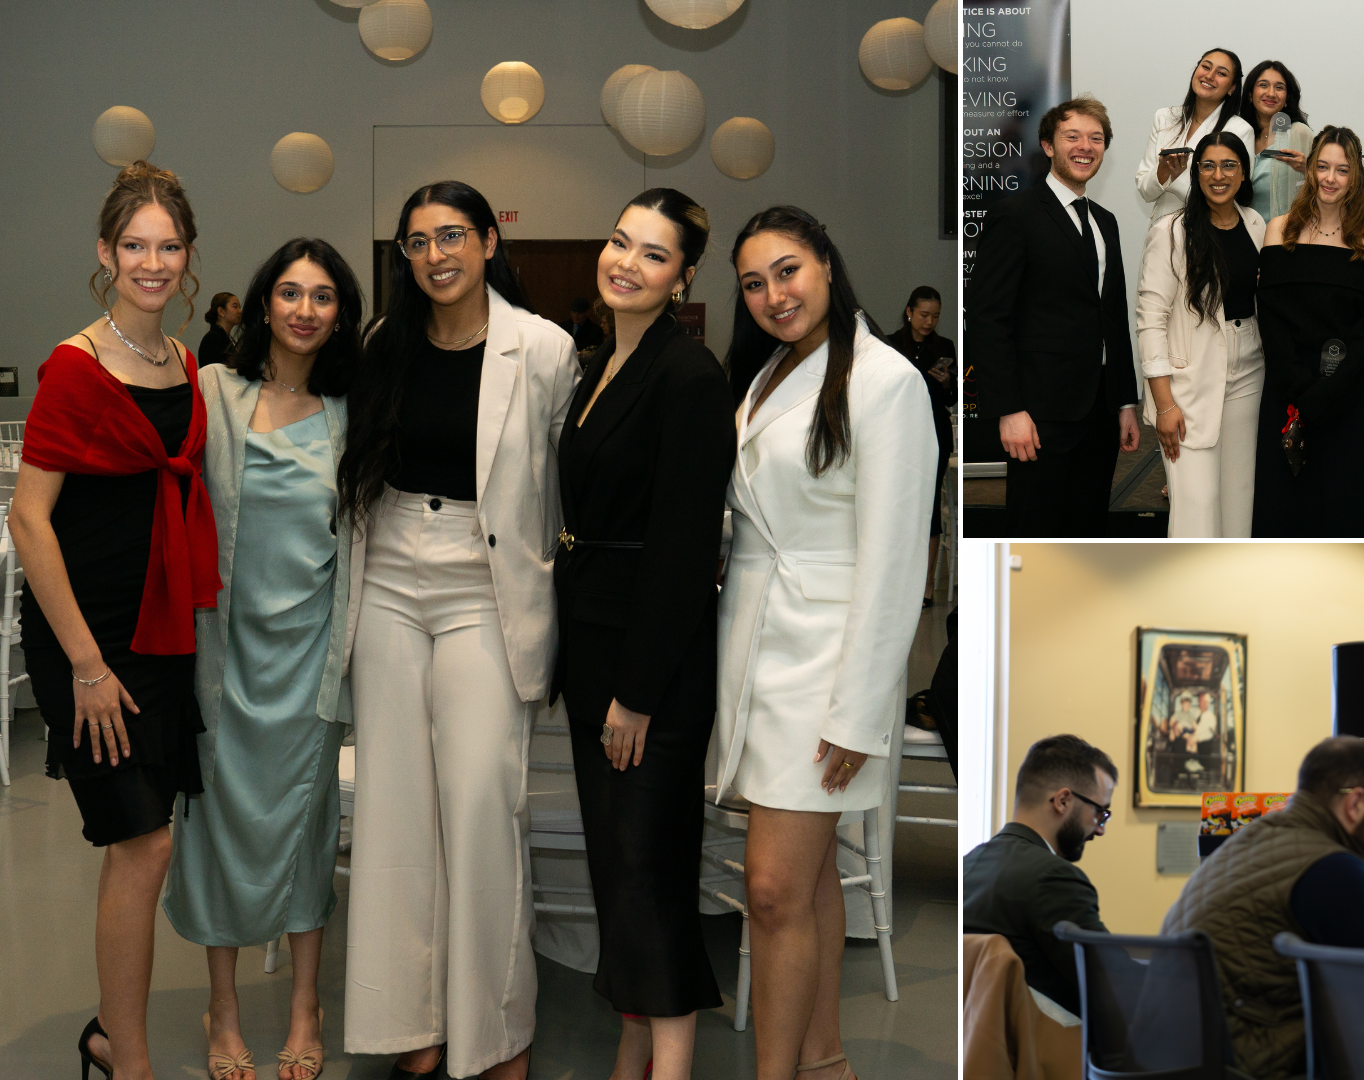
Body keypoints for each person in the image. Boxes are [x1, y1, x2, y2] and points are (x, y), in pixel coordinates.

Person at [336, 181, 578, 1080]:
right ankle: (410, 1022)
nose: (435, 255)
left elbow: (565, 483)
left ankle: (497, 1031)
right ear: (403, 256)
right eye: (417, 242)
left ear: (486, 242)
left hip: (487, 580)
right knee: (393, 804)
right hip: (392, 572)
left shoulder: (543, 347)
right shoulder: (382, 343)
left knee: (481, 801)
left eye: (451, 236)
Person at [715, 205, 937, 1080]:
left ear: (828, 267)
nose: (774, 294)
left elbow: (895, 561)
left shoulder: (886, 380)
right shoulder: (770, 372)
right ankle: (824, 1061)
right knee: (803, 884)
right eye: (754, 283)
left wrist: (858, 710)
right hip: (757, 645)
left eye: (788, 271)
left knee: (771, 889)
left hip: (828, 659)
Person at [11, 161, 218, 1080]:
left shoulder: (184, 364)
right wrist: (87, 666)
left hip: (158, 634)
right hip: (85, 638)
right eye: (135, 245)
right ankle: (128, 1059)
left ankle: (108, 1035)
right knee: (144, 841)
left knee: (146, 844)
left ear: (188, 256)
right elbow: (30, 520)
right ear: (105, 253)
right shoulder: (75, 366)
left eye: (168, 246)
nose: (152, 262)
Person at [163, 237, 360, 1080]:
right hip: (223, 656)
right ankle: (225, 1006)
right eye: (290, 292)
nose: (304, 310)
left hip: (310, 657)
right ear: (262, 303)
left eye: (322, 296)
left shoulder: (352, 410)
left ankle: (307, 1003)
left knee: (307, 830)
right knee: (215, 829)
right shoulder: (214, 389)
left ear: (340, 313)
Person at [556, 189, 734, 1080]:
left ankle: (672, 1063)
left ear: (684, 276)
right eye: (620, 242)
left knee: (649, 868)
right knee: (614, 864)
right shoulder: (602, 362)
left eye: (653, 254)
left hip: (649, 666)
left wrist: (636, 692)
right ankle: (634, 1044)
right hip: (595, 645)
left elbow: (684, 548)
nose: (626, 263)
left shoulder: (690, 376)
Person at [1161, 736, 1364, 1078]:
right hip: (1240, 1063)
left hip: (1172, 1058)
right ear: (1356, 803)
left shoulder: (1249, 839)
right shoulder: (1333, 866)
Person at [969, 96, 1140, 538]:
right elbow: (988, 319)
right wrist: (1009, 409)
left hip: (1100, 413)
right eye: (1073, 137)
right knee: (1036, 533)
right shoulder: (1015, 215)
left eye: (1096, 138)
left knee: (1088, 531)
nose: (1085, 146)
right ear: (1048, 146)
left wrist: (1125, 401)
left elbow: (1112, 316)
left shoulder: (1106, 222)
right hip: (1038, 414)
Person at [1250, 126, 1364, 537]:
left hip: (1352, 395)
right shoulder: (1279, 228)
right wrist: (1301, 389)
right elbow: (1271, 318)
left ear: (1355, 177)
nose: (1331, 178)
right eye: (1323, 167)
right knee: (1289, 512)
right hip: (1288, 394)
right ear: (1310, 170)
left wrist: (1332, 390)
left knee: (1352, 511)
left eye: (1342, 170)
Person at [1136, 131, 1266, 537]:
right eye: (1207, 165)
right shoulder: (1171, 231)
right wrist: (1164, 406)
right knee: (1198, 506)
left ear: (1243, 174)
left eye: (1229, 165)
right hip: (1187, 383)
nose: (1218, 175)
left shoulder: (1256, 224)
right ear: (1196, 174)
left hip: (1250, 371)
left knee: (1239, 500)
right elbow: (1150, 320)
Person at [961, 735, 1115, 1018]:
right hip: (1045, 1044)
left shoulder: (969, 864)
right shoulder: (1054, 879)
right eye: (1099, 812)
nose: (1100, 829)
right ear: (1063, 801)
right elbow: (1114, 987)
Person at [883, 286, 956, 603]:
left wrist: (947, 382)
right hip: (898, 431)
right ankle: (897, 582)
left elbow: (952, 399)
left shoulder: (944, 346)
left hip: (934, 431)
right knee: (895, 506)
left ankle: (926, 587)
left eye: (936, 316)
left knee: (929, 508)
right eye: (924, 315)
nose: (929, 322)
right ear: (910, 312)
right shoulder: (889, 345)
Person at [1135, 49, 1255, 223]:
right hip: (1161, 226)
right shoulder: (1165, 117)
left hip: (1209, 227)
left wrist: (1175, 178)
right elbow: (1145, 191)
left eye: (1221, 73)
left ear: (1232, 88)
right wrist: (1162, 173)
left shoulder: (1239, 129)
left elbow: (1234, 192)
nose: (1210, 76)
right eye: (1206, 67)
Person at [1239, 60, 1313, 223]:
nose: (1271, 93)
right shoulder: (1238, 133)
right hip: (1244, 232)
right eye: (1263, 85)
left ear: (1287, 97)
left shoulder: (1299, 133)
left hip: (1287, 233)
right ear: (1250, 94)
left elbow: (1326, 183)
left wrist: (1307, 169)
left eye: (1279, 87)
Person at [198, 291, 241, 368]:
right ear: (221, 311)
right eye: (235, 307)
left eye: (239, 307)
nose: (240, 311)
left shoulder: (226, 338)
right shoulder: (212, 339)